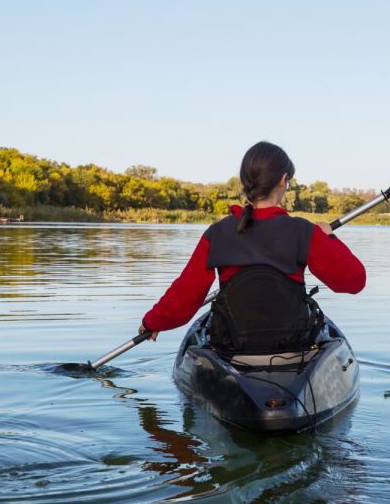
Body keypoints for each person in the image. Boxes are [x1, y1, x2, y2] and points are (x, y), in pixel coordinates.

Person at [139, 141, 366, 353]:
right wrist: (330, 238)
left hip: (233, 346)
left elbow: (185, 294)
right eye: (288, 182)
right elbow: (354, 280)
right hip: (291, 344)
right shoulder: (304, 231)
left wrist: (153, 322)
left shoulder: (216, 234)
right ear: (282, 180)